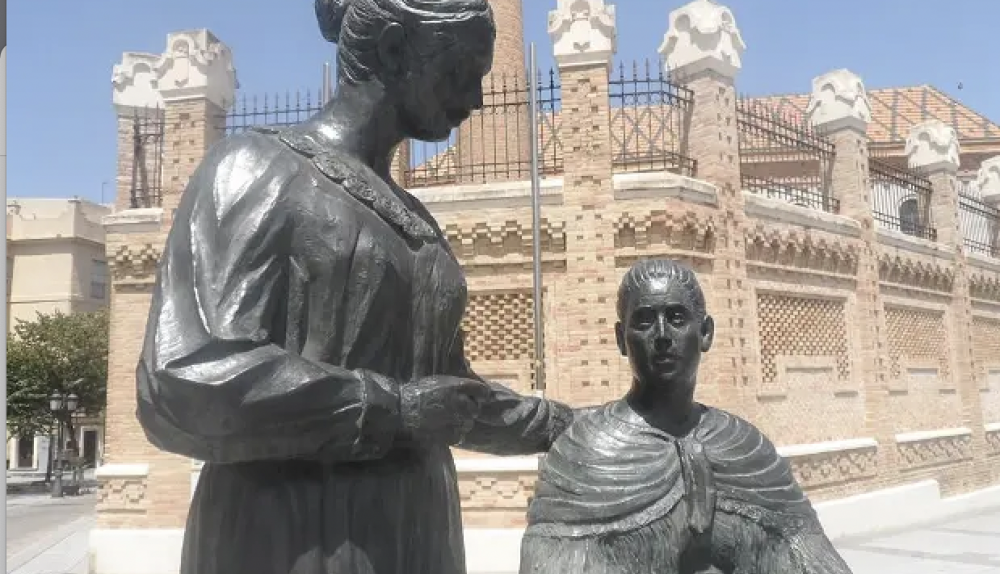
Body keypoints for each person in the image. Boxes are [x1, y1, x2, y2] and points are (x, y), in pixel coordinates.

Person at [135, 1, 575, 573]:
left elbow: (450, 396)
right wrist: (392, 409)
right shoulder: (257, 168)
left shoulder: (416, 219)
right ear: (392, 48)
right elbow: (183, 377)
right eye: (459, 72)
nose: (475, 99)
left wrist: (563, 426)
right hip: (292, 539)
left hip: (419, 535)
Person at [520, 259, 853, 574]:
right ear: (621, 339)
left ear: (705, 332)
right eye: (644, 321)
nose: (662, 335)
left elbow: (808, 554)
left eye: (677, 318)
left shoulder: (748, 449)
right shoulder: (584, 454)